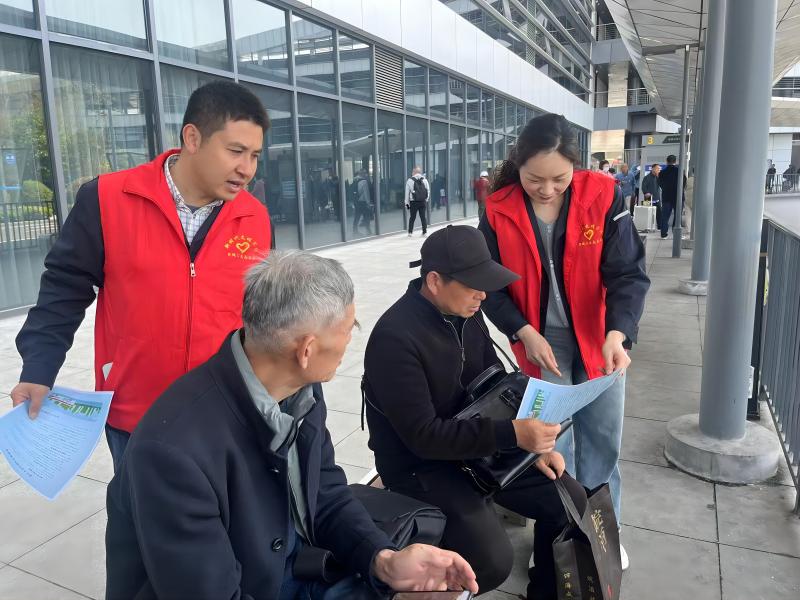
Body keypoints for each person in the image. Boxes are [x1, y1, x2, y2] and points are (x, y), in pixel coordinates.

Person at [105, 251, 479, 600]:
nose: (351, 339)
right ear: (306, 350)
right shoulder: (172, 453)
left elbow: (325, 491)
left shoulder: (299, 387)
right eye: (349, 328)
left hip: (300, 568)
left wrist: (382, 560)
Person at [11, 81, 272, 470]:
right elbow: (63, 291)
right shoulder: (107, 198)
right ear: (192, 138)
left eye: (254, 155)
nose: (246, 169)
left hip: (224, 414)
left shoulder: (255, 217)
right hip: (136, 417)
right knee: (137, 509)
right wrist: (38, 368)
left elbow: (262, 315)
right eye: (235, 151)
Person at [478, 113, 650, 573]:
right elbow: (491, 286)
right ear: (518, 166)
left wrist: (618, 333)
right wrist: (523, 330)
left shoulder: (604, 195)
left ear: (576, 165)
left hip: (600, 343)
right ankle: (557, 535)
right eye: (535, 179)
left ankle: (602, 532)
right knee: (551, 448)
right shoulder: (497, 208)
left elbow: (628, 273)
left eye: (559, 178)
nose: (547, 189)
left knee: (602, 443)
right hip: (540, 347)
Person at [364, 225, 569, 600]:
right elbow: (423, 438)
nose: (483, 295)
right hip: (421, 466)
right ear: (434, 281)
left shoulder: (467, 312)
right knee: (490, 563)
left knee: (568, 498)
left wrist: (530, 447)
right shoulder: (395, 338)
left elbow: (496, 385)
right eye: (474, 285)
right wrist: (513, 435)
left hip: (477, 443)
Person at [658, 154, 686, 239]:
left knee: (665, 216)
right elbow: (684, 183)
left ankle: (663, 234)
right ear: (675, 161)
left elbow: (660, 183)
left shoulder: (662, 172)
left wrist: (666, 189)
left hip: (666, 197)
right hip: (678, 197)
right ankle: (676, 233)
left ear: (667, 162)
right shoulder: (680, 171)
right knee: (678, 216)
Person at [405, 166, 430, 237]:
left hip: (413, 202)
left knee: (412, 217)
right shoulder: (425, 180)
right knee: (423, 217)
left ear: (414, 172)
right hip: (423, 201)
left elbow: (407, 194)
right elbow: (428, 191)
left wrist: (407, 205)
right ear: (420, 172)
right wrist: (426, 200)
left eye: (412, 171)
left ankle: (410, 232)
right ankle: (424, 232)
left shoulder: (410, 180)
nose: (412, 173)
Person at [352, 169, 374, 235]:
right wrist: (368, 203)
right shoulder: (364, 181)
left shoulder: (355, 180)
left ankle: (355, 231)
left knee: (357, 217)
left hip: (357, 202)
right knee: (366, 216)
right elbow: (366, 193)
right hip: (363, 202)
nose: (366, 174)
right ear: (362, 174)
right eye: (365, 173)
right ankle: (368, 231)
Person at [641, 163, 662, 228]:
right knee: (647, 212)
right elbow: (643, 187)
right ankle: (647, 226)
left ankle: (659, 226)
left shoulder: (658, 177)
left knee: (659, 213)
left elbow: (661, 185)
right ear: (653, 169)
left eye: (659, 169)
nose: (658, 170)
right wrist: (646, 192)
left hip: (657, 197)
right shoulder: (646, 177)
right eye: (657, 168)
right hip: (648, 198)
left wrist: (658, 177)